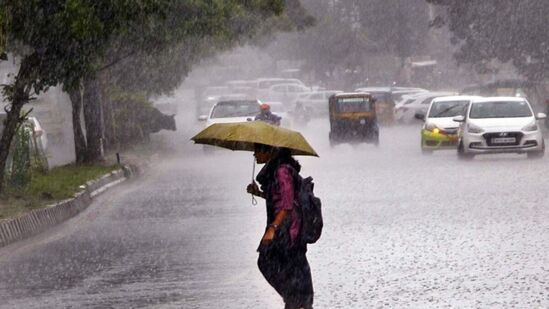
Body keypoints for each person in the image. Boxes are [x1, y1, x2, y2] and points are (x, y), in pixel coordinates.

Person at [247, 144, 314, 309]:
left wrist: (273, 228)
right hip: (286, 229)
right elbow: (278, 199)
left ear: (268, 151)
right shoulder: (276, 170)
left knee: (269, 261)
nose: (255, 154)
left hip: (289, 231)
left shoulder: (282, 171)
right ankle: (295, 302)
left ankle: (296, 302)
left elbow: (287, 204)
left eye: (257, 150)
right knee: (289, 268)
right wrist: (259, 193)